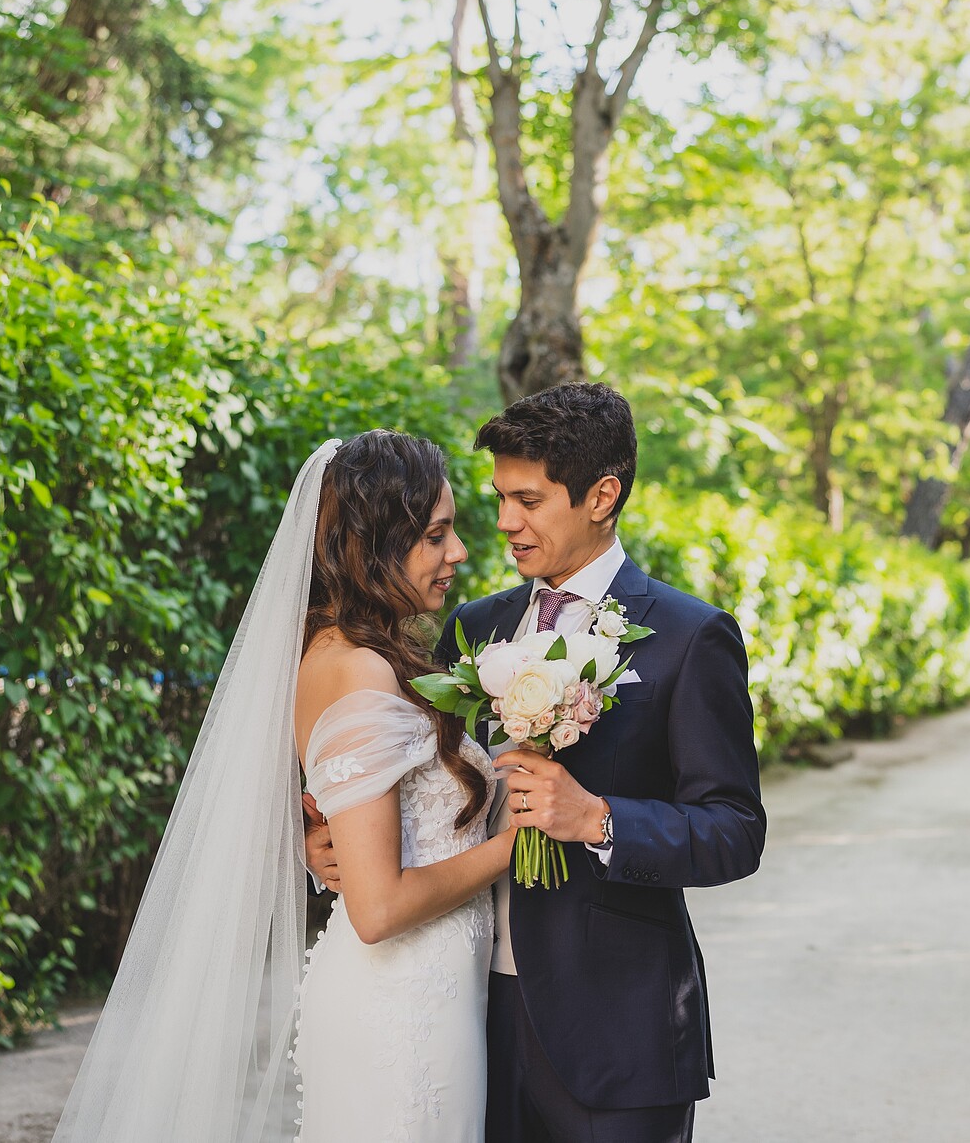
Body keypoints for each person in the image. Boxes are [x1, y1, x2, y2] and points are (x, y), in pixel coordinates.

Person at [308, 382, 767, 1143]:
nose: (503, 524)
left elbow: (734, 831)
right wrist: (324, 838)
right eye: (498, 498)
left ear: (602, 495)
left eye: (527, 499)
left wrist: (597, 819)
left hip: (615, 1028)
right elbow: (390, 767)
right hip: (465, 1014)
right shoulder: (472, 625)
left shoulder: (692, 637)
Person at [53, 430, 517, 1143]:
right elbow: (378, 906)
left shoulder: (350, 652)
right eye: (435, 536)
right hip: (403, 1009)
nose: (457, 554)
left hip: (428, 994)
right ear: (375, 547)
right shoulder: (357, 668)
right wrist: (516, 843)